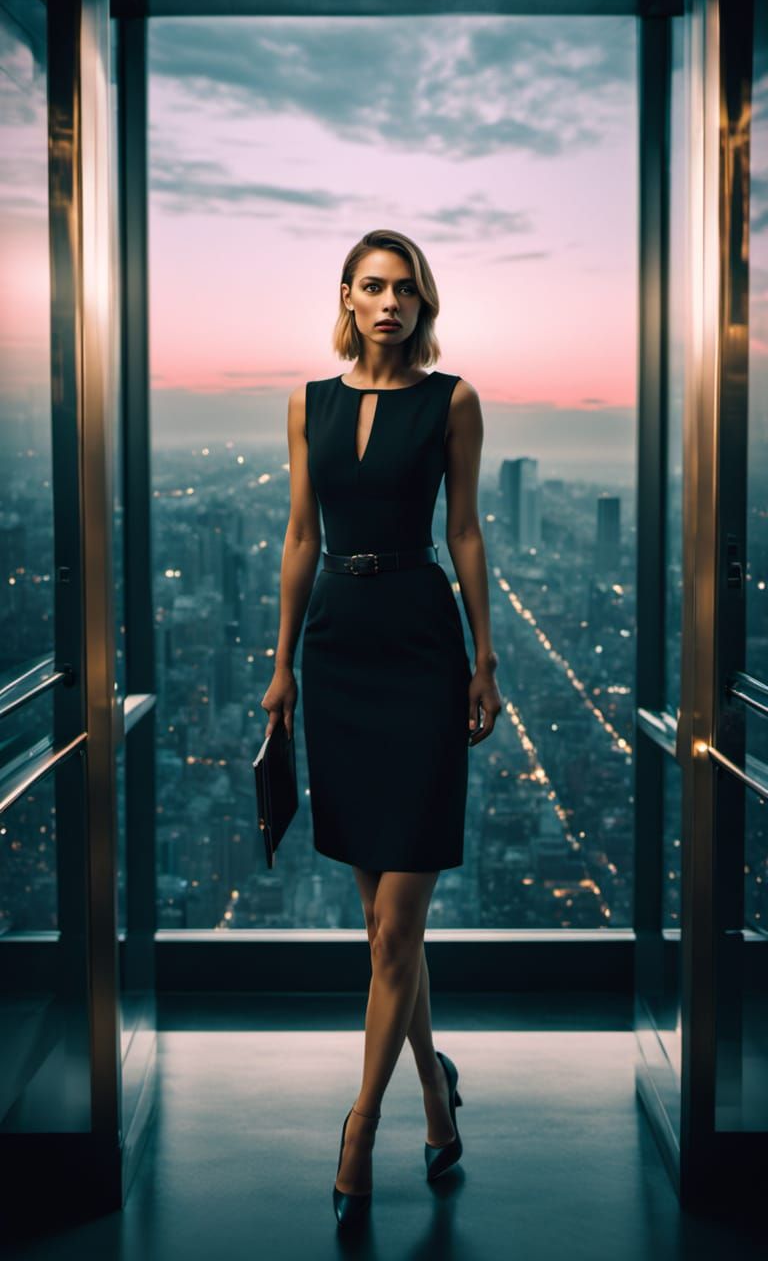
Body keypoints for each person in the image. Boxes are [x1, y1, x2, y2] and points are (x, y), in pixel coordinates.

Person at [260, 228, 502, 1227]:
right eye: (372, 286)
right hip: (338, 652)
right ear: (349, 299)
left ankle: (360, 1132)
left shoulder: (453, 400)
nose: (389, 302)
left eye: (404, 287)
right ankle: (439, 1104)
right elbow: (303, 535)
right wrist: (279, 666)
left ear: (421, 301)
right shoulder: (307, 403)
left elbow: (465, 531)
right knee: (383, 926)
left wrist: (486, 656)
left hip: (419, 649)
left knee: (396, 924)